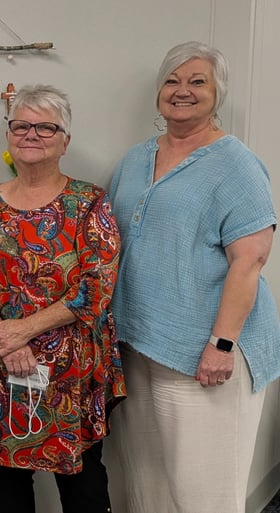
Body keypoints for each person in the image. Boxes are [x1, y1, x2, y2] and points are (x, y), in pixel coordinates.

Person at [109, 41, 280, 513]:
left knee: (205, 497)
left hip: (205, 354)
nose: (182, 91)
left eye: (197, 81)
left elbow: (250, 260)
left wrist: (221, 345)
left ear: (217, 94)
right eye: (172, 80)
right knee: (148, 488)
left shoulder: (236, 165)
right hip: (139, 346)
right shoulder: (135, 160)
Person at [0, 84, 125, 513]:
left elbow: (97, 285)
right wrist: (2, 336)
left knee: (83, 485)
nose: (32, 134)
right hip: (0, 366)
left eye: (46, 127)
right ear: (9, 135)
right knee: (7, 485)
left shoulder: (89, 203)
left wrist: (21, 331)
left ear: (65, 141)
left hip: (71, 373)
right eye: (21, 125)